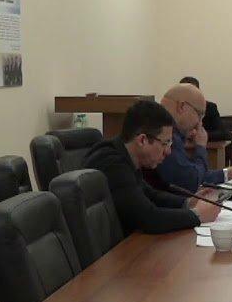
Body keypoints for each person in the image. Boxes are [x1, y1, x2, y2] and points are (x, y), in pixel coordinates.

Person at [83, 99, 221, 234]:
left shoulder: (126, 155)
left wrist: (188, 202)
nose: (168, 151)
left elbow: (150, 194)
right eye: (165, 143)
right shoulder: (111, 163)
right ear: (142, 140)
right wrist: (197, 216)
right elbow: (148, 218)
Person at [156, 83, 232, 193]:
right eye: (199, 115)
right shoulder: (164, 132)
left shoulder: (170, 129)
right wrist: (200, 147)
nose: (199, 123)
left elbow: (192, 174)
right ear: (182, 107)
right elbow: (191, 181)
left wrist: (227, 174)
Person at [179, 76, 231, 142]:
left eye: (192, 92)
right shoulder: (174, 108)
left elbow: (224, 134)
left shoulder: (209, 107)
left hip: (205, 145)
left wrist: (198, 135)